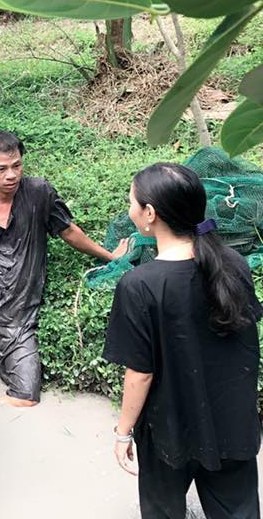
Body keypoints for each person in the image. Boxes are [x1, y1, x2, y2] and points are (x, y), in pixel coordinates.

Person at [104, 163, 262, 519]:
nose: (129, 208)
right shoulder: (234, 264)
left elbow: (140, 374)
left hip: (168, 431)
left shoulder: (139, 285)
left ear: (150, 214)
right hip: (233, 423)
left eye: (131, 201)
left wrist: (123, 432)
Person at [0, 130, 126, 407]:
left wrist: (109, 257)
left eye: (17, 165)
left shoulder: (39, 193)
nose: (11, 175)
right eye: (2, 168)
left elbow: (68, 231)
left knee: (26, 396)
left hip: (18, 309)